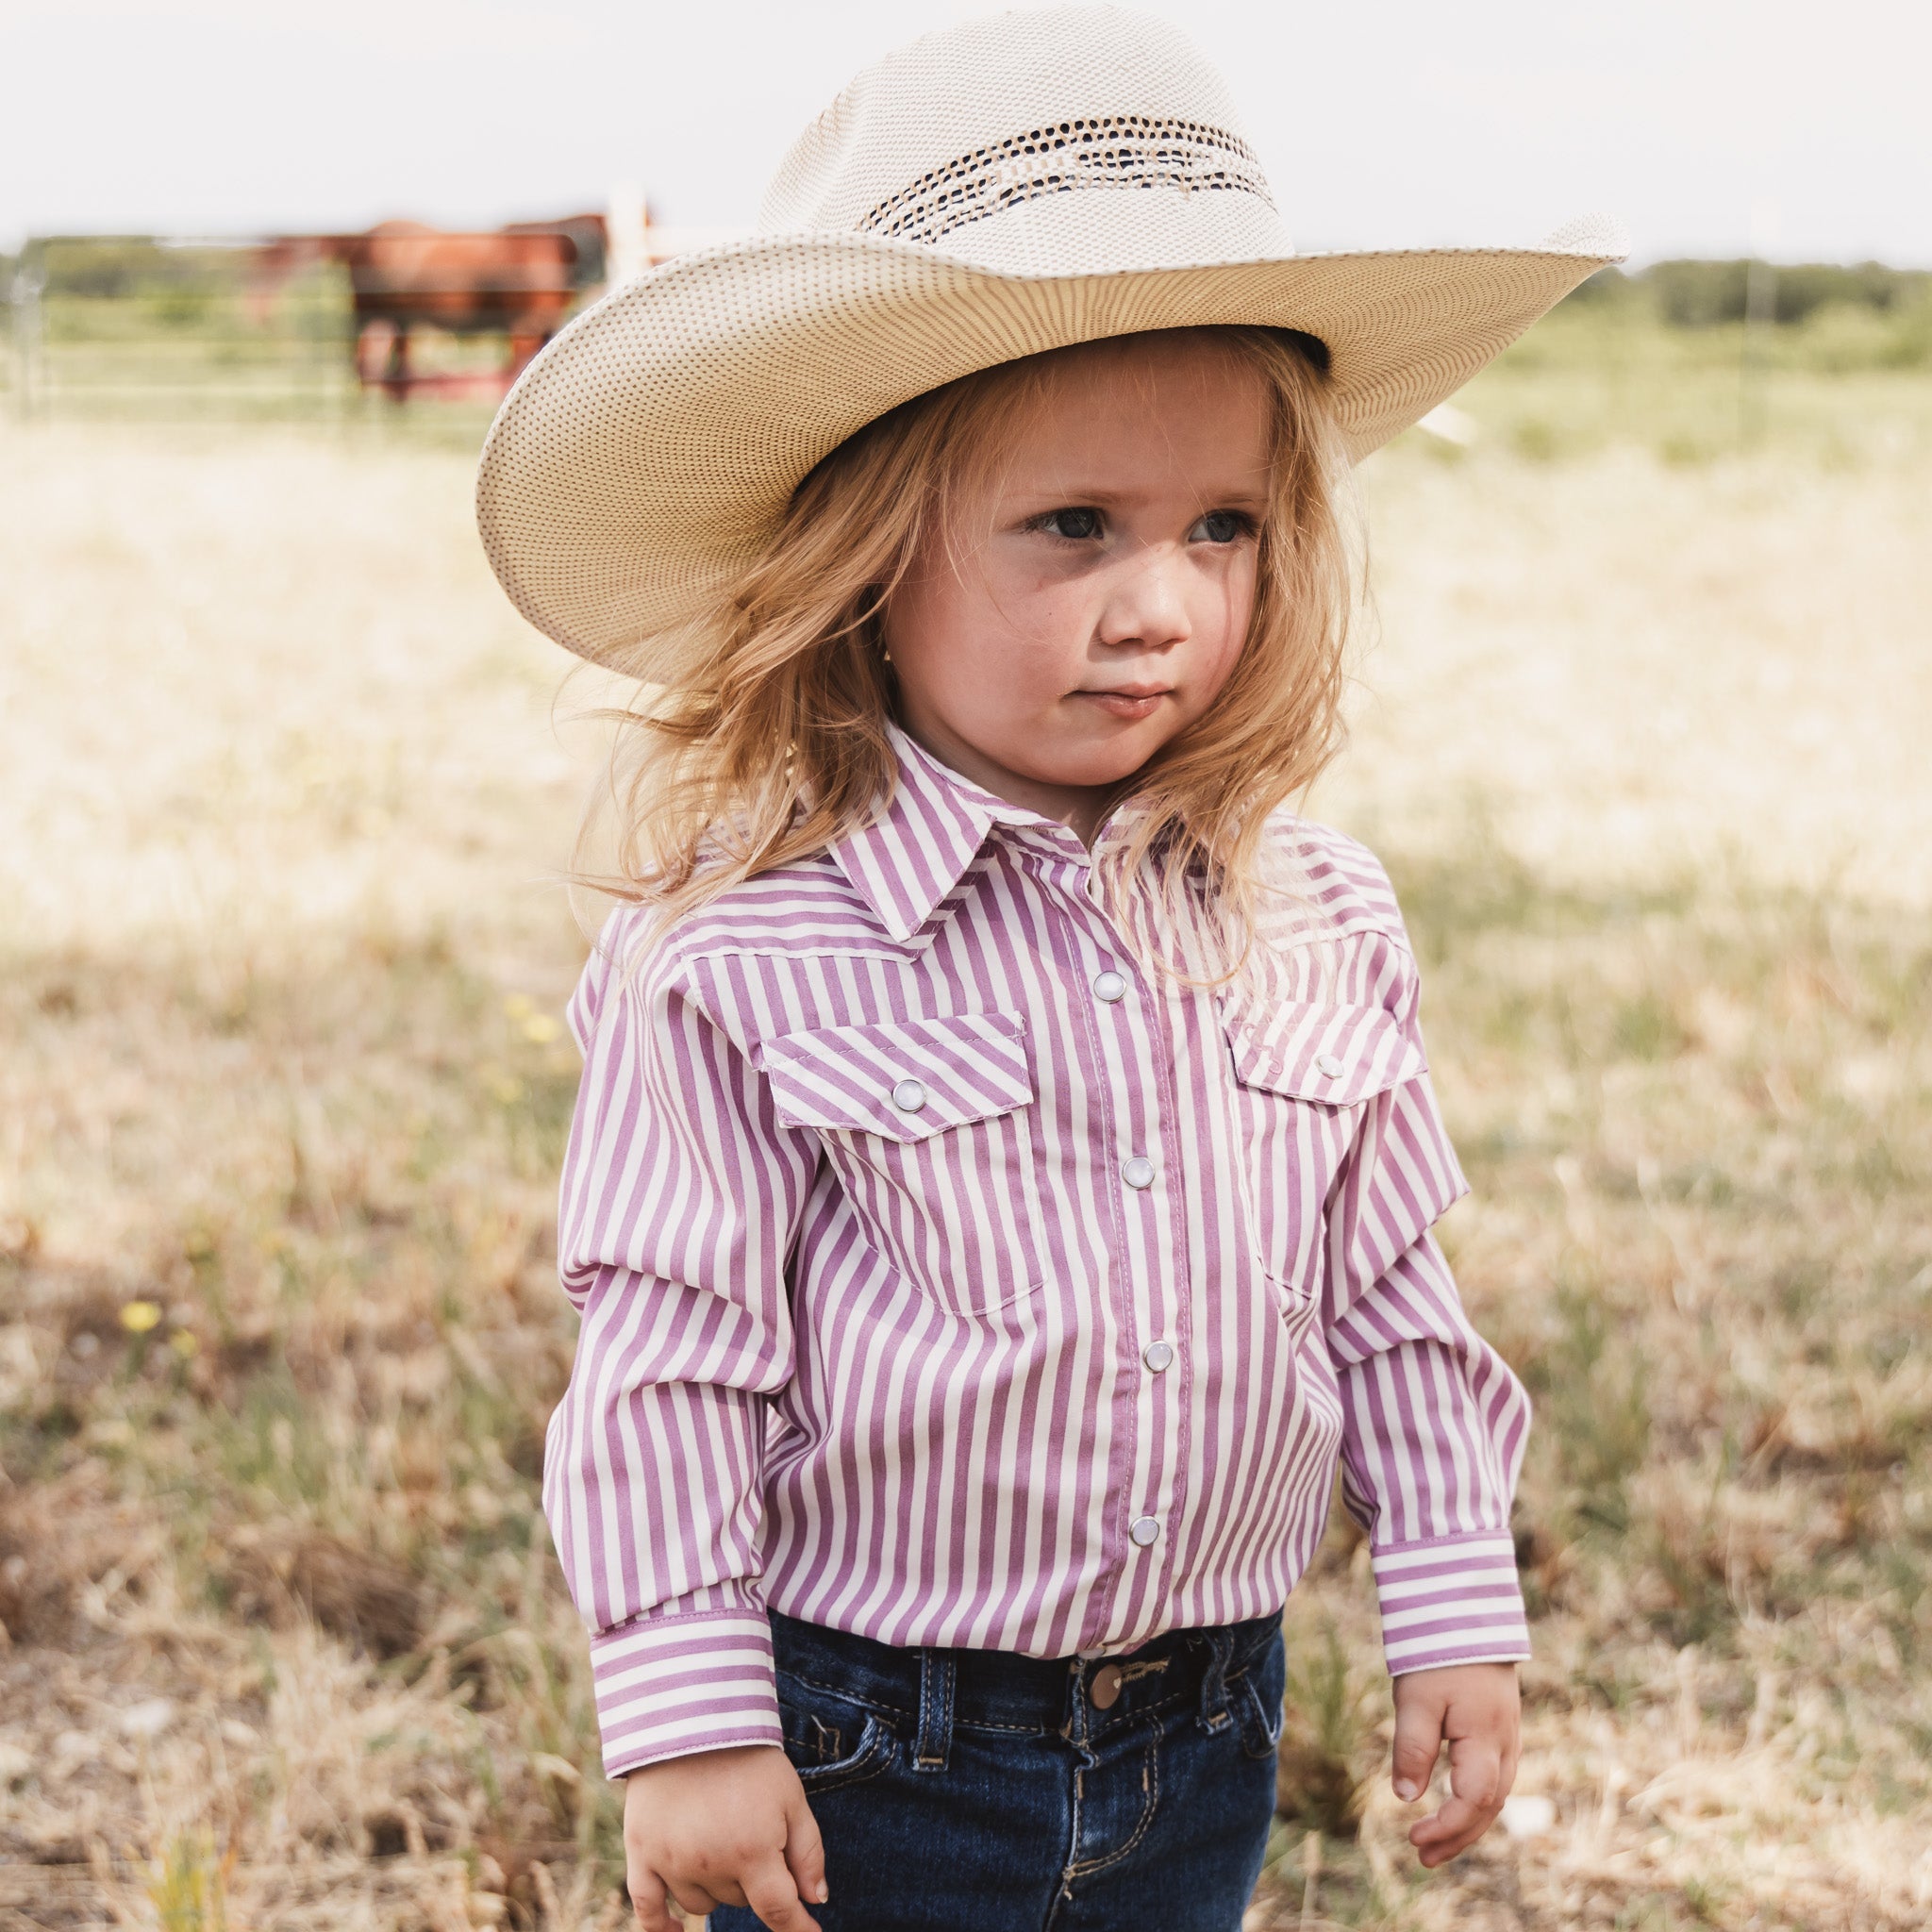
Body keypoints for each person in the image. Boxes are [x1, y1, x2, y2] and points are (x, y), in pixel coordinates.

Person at [474, 9, 1623, 1928]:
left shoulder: (1313, 912)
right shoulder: (743, 946)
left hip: (1208, 1722)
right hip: (868, 1742)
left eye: (1221, 528)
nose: (1157, 603)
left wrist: (1448, 1595)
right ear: (867, 554)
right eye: (1072, 525)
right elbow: (670, 1348)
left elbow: (1391, 1292)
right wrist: (683, 1713)